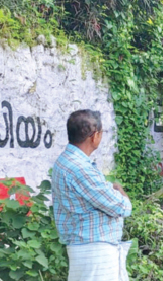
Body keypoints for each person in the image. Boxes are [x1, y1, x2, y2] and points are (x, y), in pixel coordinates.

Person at [52, 109, 132, 281]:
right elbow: (122, 207)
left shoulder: (65, 161)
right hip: (95, 253)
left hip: (86, 249)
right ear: (95, 136)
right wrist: (120, 192)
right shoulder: (81, 168)